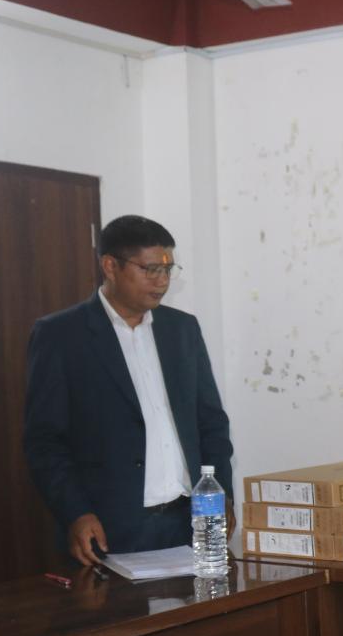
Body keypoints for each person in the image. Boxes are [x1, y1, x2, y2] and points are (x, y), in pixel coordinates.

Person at [24, 215, 234, 566]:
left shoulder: (182, 330)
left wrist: (221, 495)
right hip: (110, 527)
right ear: (110, 266)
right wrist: (75, 512)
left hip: (189, 521)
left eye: (168, 269)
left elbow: (211, 422)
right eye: (150, 269)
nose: (162, 281)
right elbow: (44, 442)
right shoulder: (61, 335)